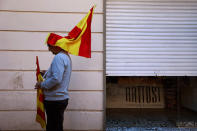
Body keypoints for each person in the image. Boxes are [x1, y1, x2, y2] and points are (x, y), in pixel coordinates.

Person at [35, 44, 72, 131]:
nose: (49, 49)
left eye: (50, 46)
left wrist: (41, 84)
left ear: (57, 46)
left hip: (54, 100)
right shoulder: (66, 56)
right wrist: (47, 73)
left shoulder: (58, 57)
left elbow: (56, 79)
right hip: (60, 99)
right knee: (57, 126)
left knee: (53, 127)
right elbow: (59, 75)